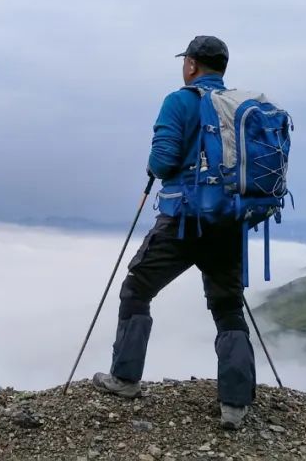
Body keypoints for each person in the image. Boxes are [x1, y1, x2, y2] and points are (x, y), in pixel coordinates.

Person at [92, 35, 256, 431]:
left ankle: (125, 379)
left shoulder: (180, 101)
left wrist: (157, 164)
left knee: (137, 287)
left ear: (192, 65)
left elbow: (163, 163)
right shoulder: (241, 108)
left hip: (183, 221)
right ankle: (235, 405)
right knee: (228, 307)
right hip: (229, 223)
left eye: (186, 61)